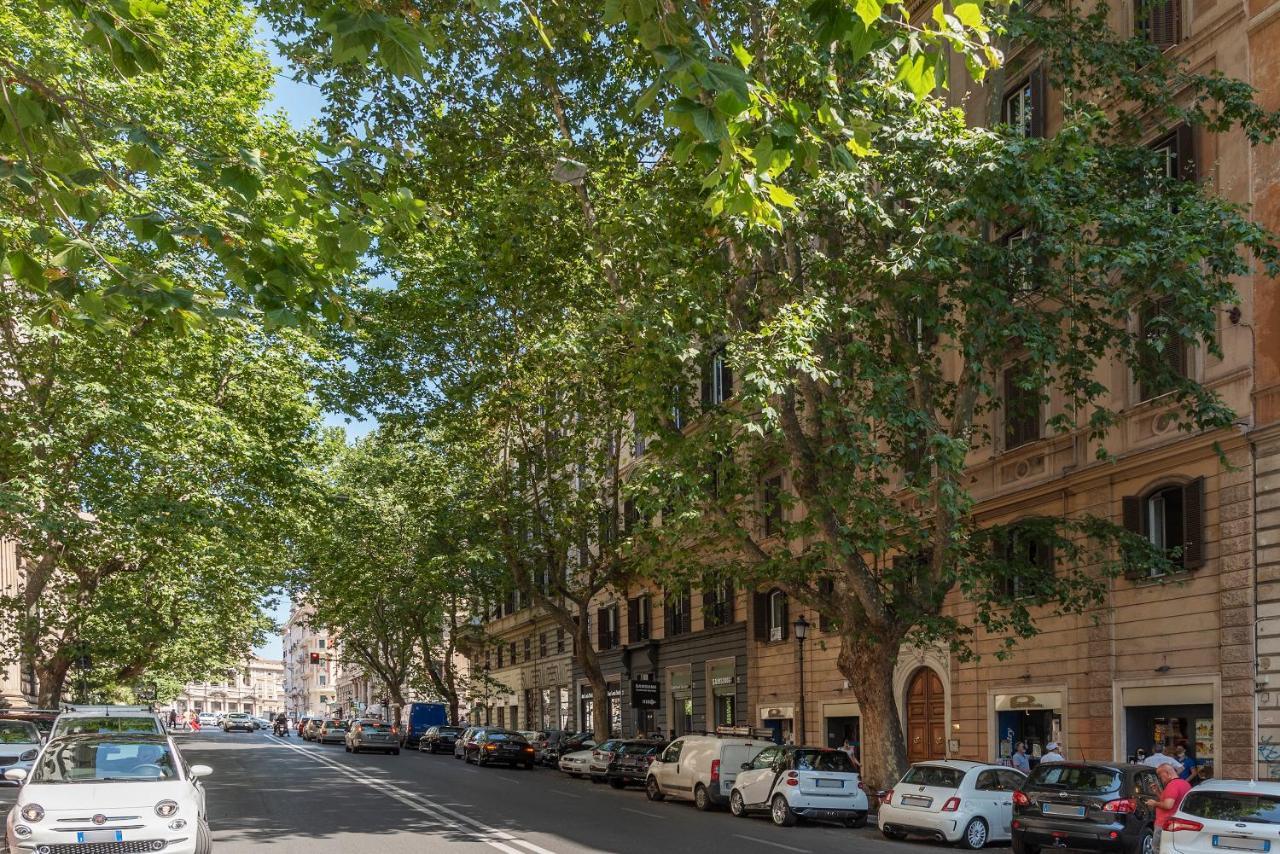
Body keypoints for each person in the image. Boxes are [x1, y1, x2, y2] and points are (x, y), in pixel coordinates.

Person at [1145, 762, 1192, 851]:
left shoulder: (1172, 785)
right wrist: (1158, 792)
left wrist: (1154, 803)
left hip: (1164, 823)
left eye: (1160, 775)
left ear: (1167, 773)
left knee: (1157, 848)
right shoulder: (1185, 783)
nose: (1160, 778)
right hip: (1178, 824)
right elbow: (1170, 801)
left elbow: (1168, 805)